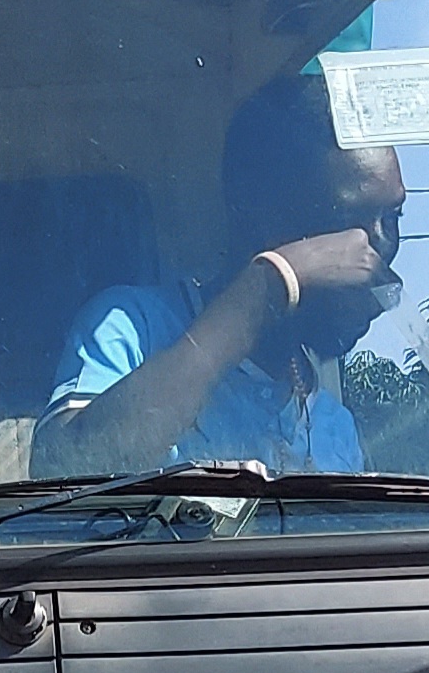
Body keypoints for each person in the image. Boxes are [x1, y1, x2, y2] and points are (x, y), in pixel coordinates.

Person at [31, 74, 405, 480]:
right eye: (348, 220)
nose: (376, 248)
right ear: (259, 213)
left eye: (393, 218)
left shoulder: (336, 428)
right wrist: (274, 283)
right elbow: (61, 471)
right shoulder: (134, 328)